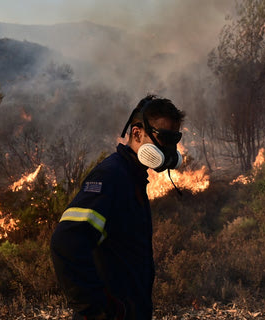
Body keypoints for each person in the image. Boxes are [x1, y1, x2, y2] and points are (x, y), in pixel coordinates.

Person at [50, 95, 185, 320]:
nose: (169, 149)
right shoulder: (111, 176)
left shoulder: (132, 177)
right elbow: (66, 243)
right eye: (164, 138)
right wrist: (98, 310)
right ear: (136, 133)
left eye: (174, 139)